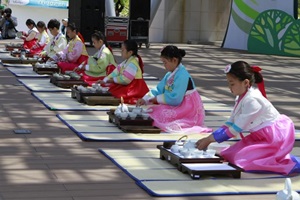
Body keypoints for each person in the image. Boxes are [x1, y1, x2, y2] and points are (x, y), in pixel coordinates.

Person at [195, 61, 300, 175]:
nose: (229, 87)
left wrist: (210, 139)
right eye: (228, 83)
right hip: (260, 136)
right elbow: (230, 122)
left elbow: (236, 128)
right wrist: (209, 138)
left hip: (274, 137)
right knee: (230, 154)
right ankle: (276, 156)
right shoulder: (242, 97)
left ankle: (291, 162)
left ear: (245, 82)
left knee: (241, 161)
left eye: (232, 84)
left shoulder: (252, 100)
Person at [136, 45, 212, 133]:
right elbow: (159, 89)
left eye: (165, 62)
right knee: (153, 111)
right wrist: (145, 99)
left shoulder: (182, 75)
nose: (164, 65)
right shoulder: (169, 75)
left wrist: (157, 98)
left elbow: (176, 99)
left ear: (174, 60)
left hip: (188, 107)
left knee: (161, 114)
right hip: (176, 103)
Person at [97, 39, 149, 104]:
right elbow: (115, 72)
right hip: (130, 85)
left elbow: (126, 80)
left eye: (122, 50)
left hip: (135, 88)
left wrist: (111, 80)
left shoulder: (133, 63)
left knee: (118, 94)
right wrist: (105, 80)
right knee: (112, 91)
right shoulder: (127, 61)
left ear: (130, 52)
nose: (121, 52)